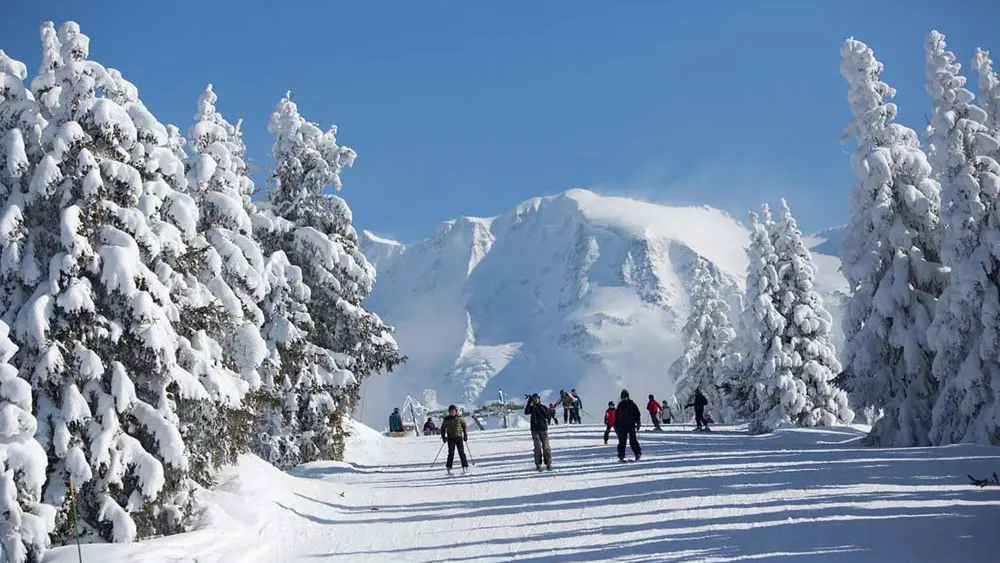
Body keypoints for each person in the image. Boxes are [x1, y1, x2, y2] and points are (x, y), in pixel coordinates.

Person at [524, 393, 553, 471]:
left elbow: (548, 416)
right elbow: (526, 412)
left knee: (546, 447)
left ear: (539, 399)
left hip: (543, 429)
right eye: (534, 399)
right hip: (534, 430)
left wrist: (541, 409)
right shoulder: (531, 408)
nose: (536, 400)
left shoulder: (543, 407)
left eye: (537, 398)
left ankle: (548, 463)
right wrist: (529, 402)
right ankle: (538, 464)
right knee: (537, 447)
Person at [440, 405, 469, 475]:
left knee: (461, 452)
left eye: (453, 411)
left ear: (456, 411)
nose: (452, 412)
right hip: (450, 438)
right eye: (451, 411)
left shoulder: (459, 418)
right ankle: (449, 468)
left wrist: (465, 435)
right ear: (449, 412)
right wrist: (443, 437)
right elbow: (443, 428)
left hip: (458, 437)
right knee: (451, 453)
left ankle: (464, 466)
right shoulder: (446, 419)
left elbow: (464, 426)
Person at [614, 389, 642, 461]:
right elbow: (616, 417)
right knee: (622, 441)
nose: (624, 398)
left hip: (631, 425)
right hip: (622, 426)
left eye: (625, 397)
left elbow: (637, 413)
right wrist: (616, 426)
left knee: (633, 440)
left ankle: (637, 453)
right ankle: (621, 456)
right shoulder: (620, 405)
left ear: (628, 396)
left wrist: (638, 422)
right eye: (622, 397)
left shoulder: (632, 404)